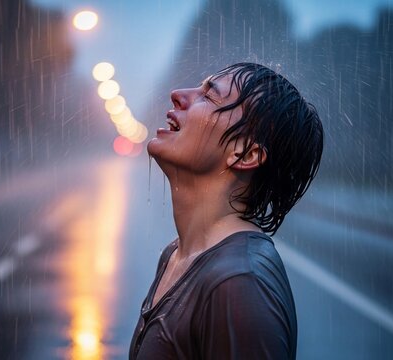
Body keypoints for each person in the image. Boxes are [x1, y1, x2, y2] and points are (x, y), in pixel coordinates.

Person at [129, 62, 324, 359]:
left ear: (245, 153)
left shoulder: (241, 284)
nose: (178, 94)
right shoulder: (175, 256)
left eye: (209, 97)